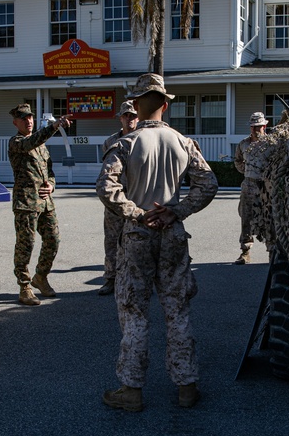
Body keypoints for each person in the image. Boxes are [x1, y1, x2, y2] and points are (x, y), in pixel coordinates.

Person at [97, 73, 218, 412]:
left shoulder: (126, 144)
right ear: (165, 105)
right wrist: (176, 211)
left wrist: (136, 213)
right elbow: (208, 184)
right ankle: (186, 386)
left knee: (135, 311)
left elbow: (106, 188)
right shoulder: (182, 142)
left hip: (137, 236)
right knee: (177, 308)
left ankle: (132, 390)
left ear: (135, 105)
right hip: (172, 233)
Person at [8, 103, 74, 306]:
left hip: (46, 203)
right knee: (25, 245)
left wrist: (52, 186)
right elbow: (33, 141)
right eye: (24, 119)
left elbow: (50, 172)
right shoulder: (16, 142)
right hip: (26, 203)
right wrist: (54, 127)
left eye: (30, 118)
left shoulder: (41, 146)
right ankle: (24, 286)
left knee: (53, 240)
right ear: (15, 122)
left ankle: (41, 276)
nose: (28, 121)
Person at [98, 100, 139, 295]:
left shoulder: (143, 139)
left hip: (138, 199)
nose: (129, 119)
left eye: (133, 115)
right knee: (112, 240)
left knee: (138, 240)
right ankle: (111, 278)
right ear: (120, 118)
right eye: (126, 116)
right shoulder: (110, 142)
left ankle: (136, 280)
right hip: (116, 199)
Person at [233, 111, 268, 264]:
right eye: (253, 127)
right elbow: (238, 161)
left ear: (264, 126)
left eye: (258, 127)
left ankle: (273, 250)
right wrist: (246, 172)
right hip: (249, 184)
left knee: (269, 217)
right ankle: (245, 251)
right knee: (246, 217)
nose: (255, 130)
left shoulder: (271, 144)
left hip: (266, 186)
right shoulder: (244, 144)